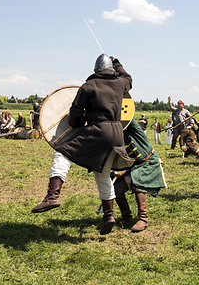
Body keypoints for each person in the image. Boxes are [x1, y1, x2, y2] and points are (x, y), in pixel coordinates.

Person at [31, 54, 134, 236]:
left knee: (62, 152)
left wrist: (79, 122)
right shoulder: (120, 84)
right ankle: (109, 215)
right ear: (111, 69)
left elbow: (76, 115)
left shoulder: (88, 86)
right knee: (102, 174)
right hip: (117, 134)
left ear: (95, 71)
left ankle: (52, 196)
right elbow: (128, 78)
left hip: (97, 131)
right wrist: (117, 63)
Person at [112, 118, 167, 232]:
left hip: (149, 163)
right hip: (134, 167)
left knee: (138, 185)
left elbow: (128, 117)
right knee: (116, 187)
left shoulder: (134, 129)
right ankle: (126, 217)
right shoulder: (116, 138)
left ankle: (143, 218)